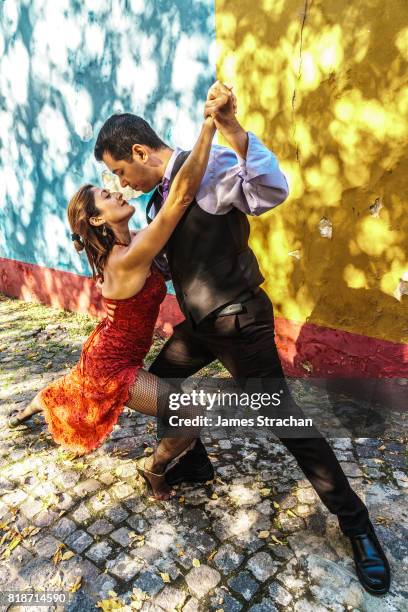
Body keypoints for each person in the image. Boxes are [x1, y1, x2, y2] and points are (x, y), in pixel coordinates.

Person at [93, 81, 390, 595]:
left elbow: (270, 190)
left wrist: (230, 126)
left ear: (139, 151)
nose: (122, 181)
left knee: (287, 424)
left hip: (240, 322)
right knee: (165, 384)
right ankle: (198, 464)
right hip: (202, 327)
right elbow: (159, 261)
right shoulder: (152, 204)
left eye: (120, 170)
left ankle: (358, 525)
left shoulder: (206, 169)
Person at [7, 105, 224, 501]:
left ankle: (41, 399)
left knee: (75, 385)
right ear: (96, 220)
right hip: (114, 365)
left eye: (115, 183)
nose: (118, 189)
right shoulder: (126, 258)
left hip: (107, 346)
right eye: (107, 194)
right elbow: (178, 200)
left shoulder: (133, 241)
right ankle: (153, 469)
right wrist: (210, 126)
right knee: (187, 414)